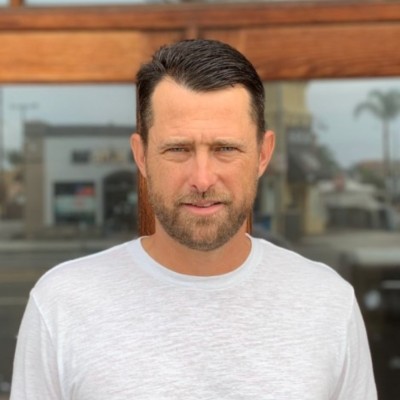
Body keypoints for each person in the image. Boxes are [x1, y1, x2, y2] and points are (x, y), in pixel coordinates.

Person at [11, 39, 376, 399]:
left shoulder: (328, 303)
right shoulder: (61, 304)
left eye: (225, 148)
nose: (202, 179)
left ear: (263, 155)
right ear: (141, 156)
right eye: (178, 149)